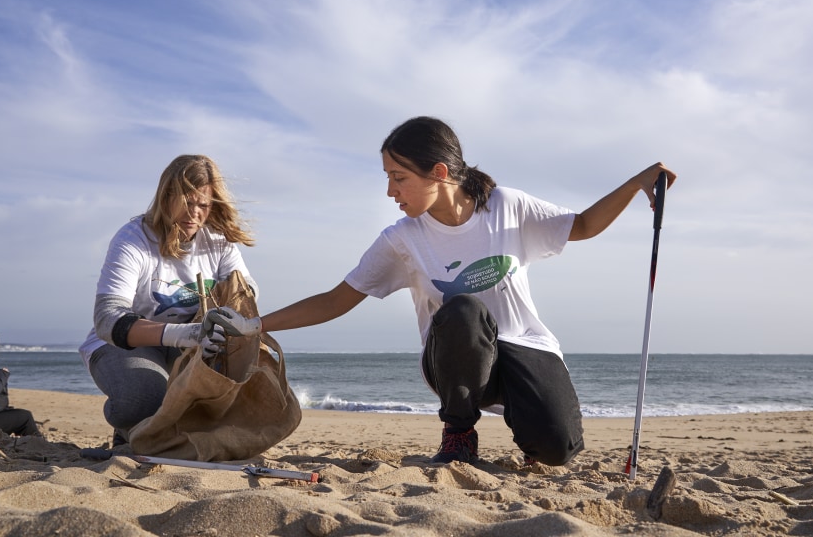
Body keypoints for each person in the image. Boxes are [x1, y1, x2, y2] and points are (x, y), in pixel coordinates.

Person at [261, 116, 676, 466]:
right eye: (389, 178)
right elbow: (336, 300)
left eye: (399, 177)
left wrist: (637, 182)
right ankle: (458, 433)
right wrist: (256, 324)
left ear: (439, 173)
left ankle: (529, 417)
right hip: (454, 360)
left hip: (523, 348)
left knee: (558, 449)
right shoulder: (401, 239)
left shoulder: (506, 207)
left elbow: (582, 225)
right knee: (463, 309)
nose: (391, 191)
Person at [78, 154, 263, 444]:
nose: (195, 214)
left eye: (203, 205)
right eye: (187, 202)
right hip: (124, 344)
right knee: (145, 398)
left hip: (192, 345)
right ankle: (126, 425)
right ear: (166, 197)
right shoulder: (133, 239)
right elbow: (106, 318)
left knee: (238, 394)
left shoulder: (217, 240)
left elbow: (246, 287)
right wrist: (187, 333)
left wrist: (236, 311)